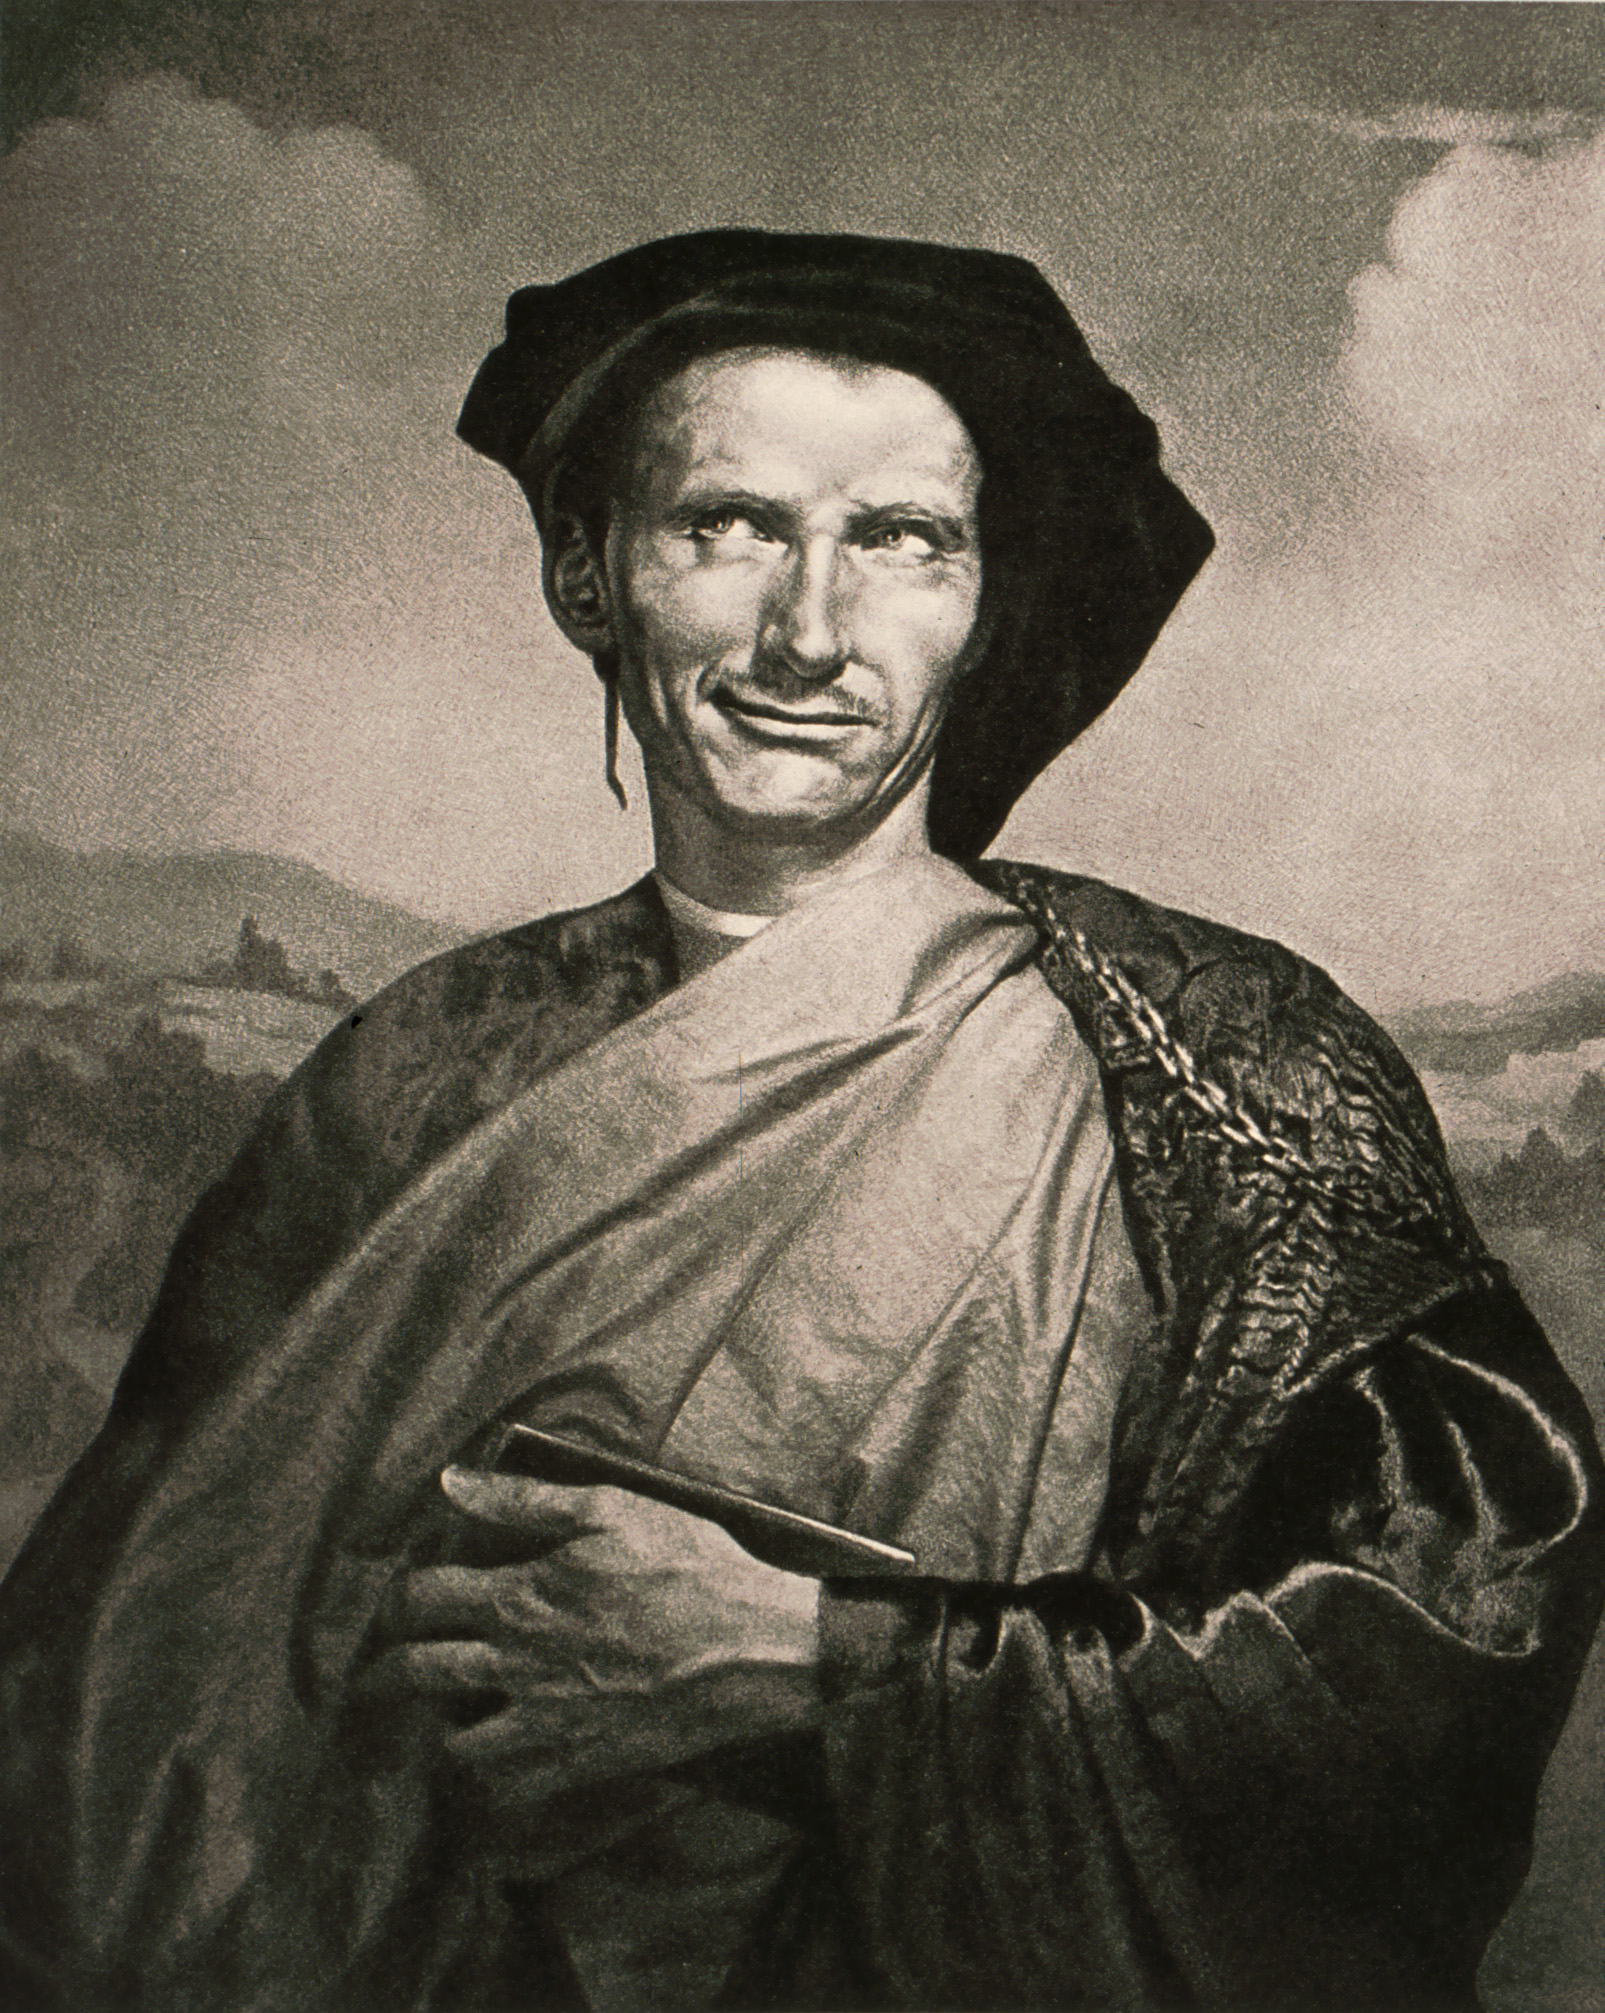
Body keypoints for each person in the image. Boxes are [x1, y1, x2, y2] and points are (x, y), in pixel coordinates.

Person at [0, 231, 1601, 2013]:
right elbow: (137, 1702)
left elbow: (1444, 1652)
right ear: (589, 571)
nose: (810, 633)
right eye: (729, 525)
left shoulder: (1225, 1062)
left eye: (903, 540)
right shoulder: (410, 1081)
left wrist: (832, 1670)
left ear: (989, 599)